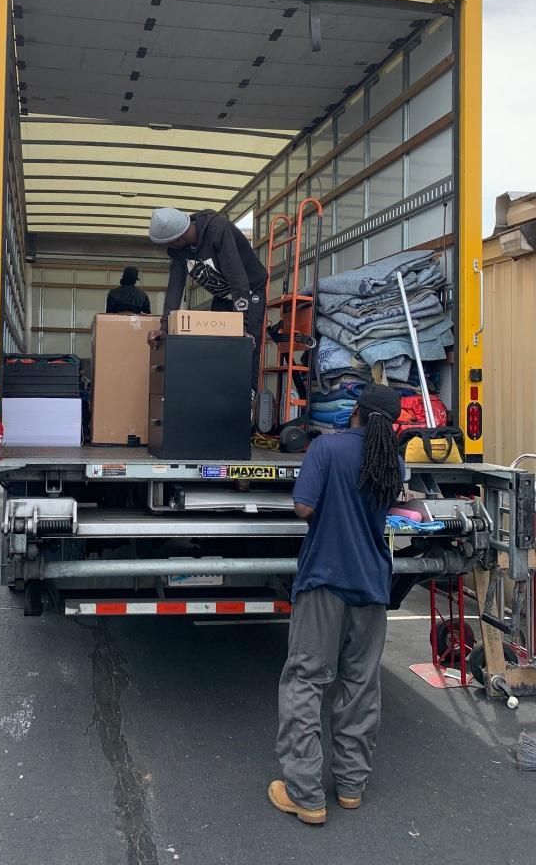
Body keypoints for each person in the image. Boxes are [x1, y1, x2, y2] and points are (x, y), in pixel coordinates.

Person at [268, 384, 405, 826]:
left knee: (306, 679)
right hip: (371, 585)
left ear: (356, 413)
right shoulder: (392, 462)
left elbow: (303, 508)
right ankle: (349, 787)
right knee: (360, 685)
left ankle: (305, 793)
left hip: (325, 578)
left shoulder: (327, 449)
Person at [146, 207, 268, 392]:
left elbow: (237, 278)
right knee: (217, 349)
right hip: (223, 296)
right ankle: (219, 404)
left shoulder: (218, 230)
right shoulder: (179, 252)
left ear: (178, 238)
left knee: (246, 348)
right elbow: (175, 287)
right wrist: (164, 327)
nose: (168, 248)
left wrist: (242, 324)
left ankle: (247, 408)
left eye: (168, 244)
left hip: (249, 292)